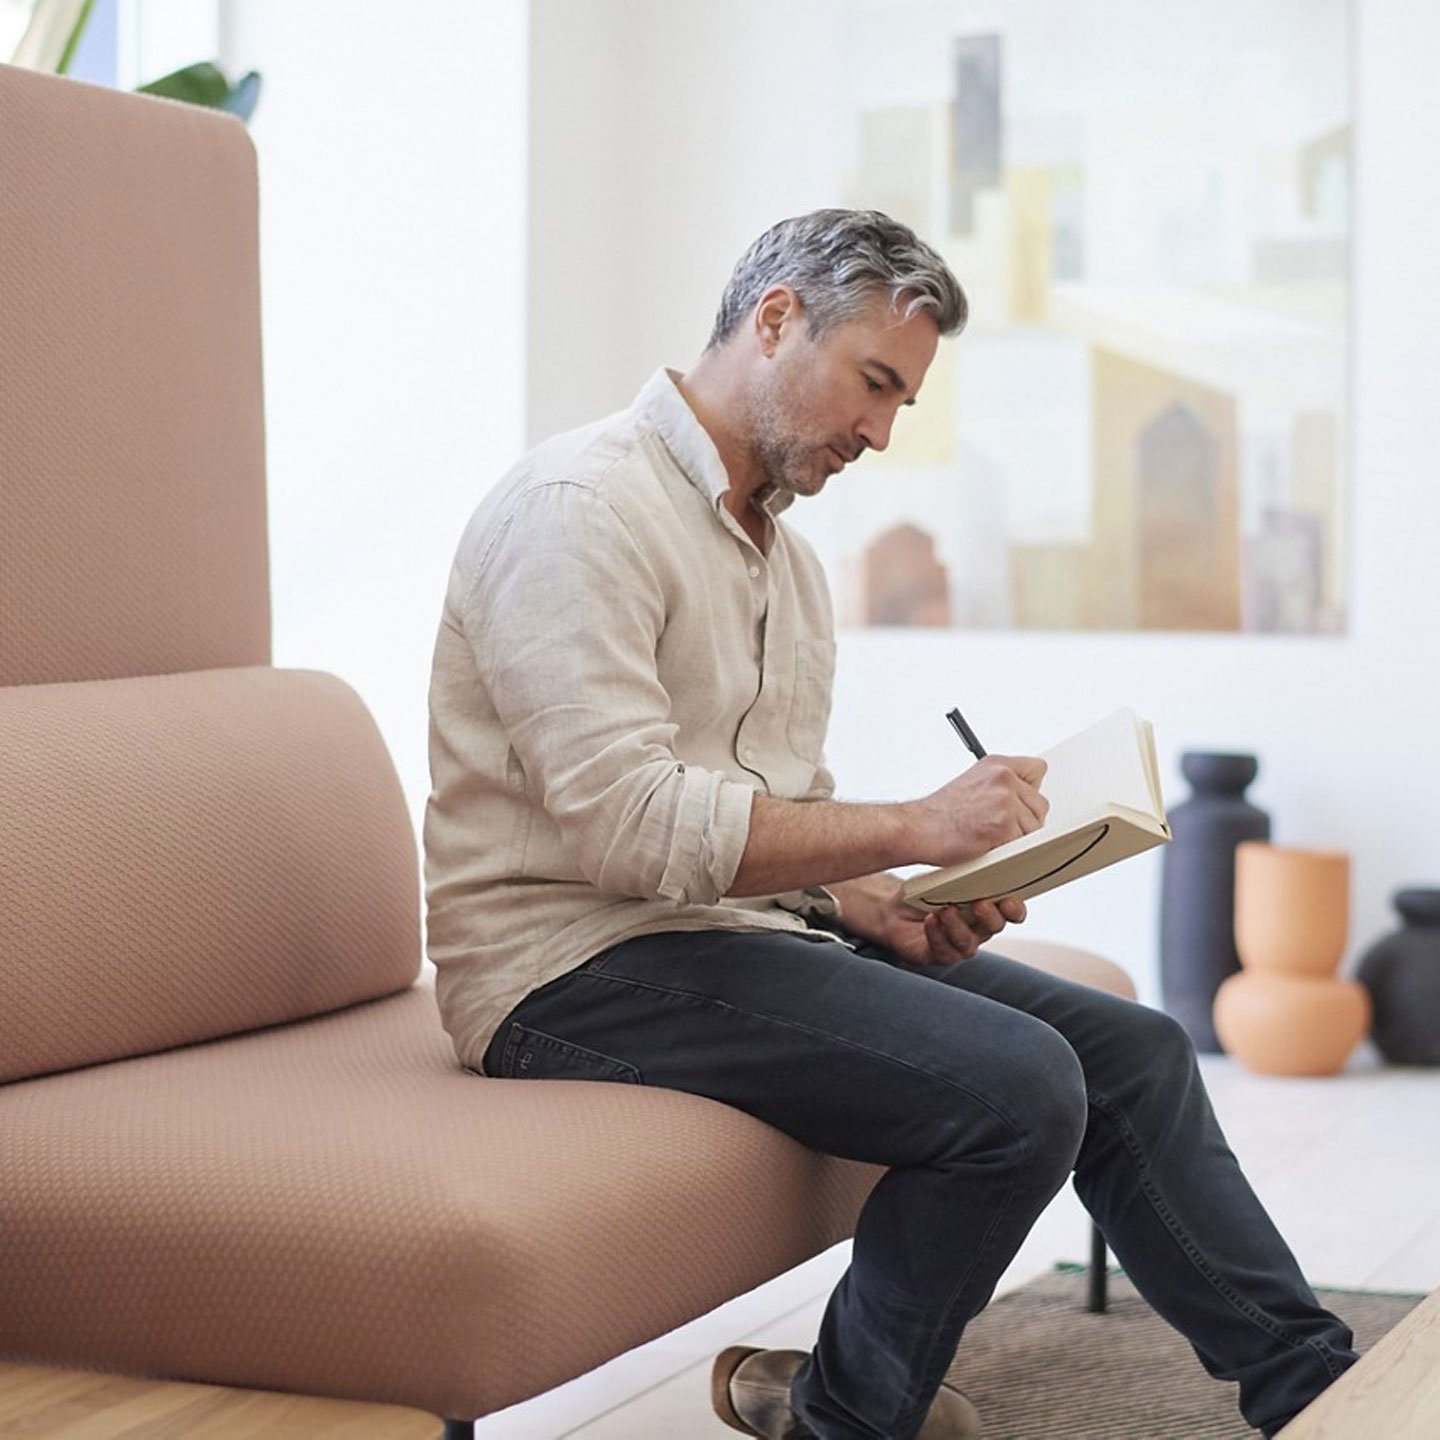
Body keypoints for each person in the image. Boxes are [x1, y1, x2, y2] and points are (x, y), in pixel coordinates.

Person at [423, 209, 1357, 1440]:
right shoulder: (577, 511)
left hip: (719, 935)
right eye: (871, 384)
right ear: (772, 321)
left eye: (901, 404)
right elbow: (628, 832)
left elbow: (765, 817)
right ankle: (846, 1421)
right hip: (567, 967)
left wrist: (875, 902)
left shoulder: (787, 565)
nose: (878, 431)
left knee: (1136, 1051)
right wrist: (917, 823)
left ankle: (1327, 1396)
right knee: (1018, 1087)